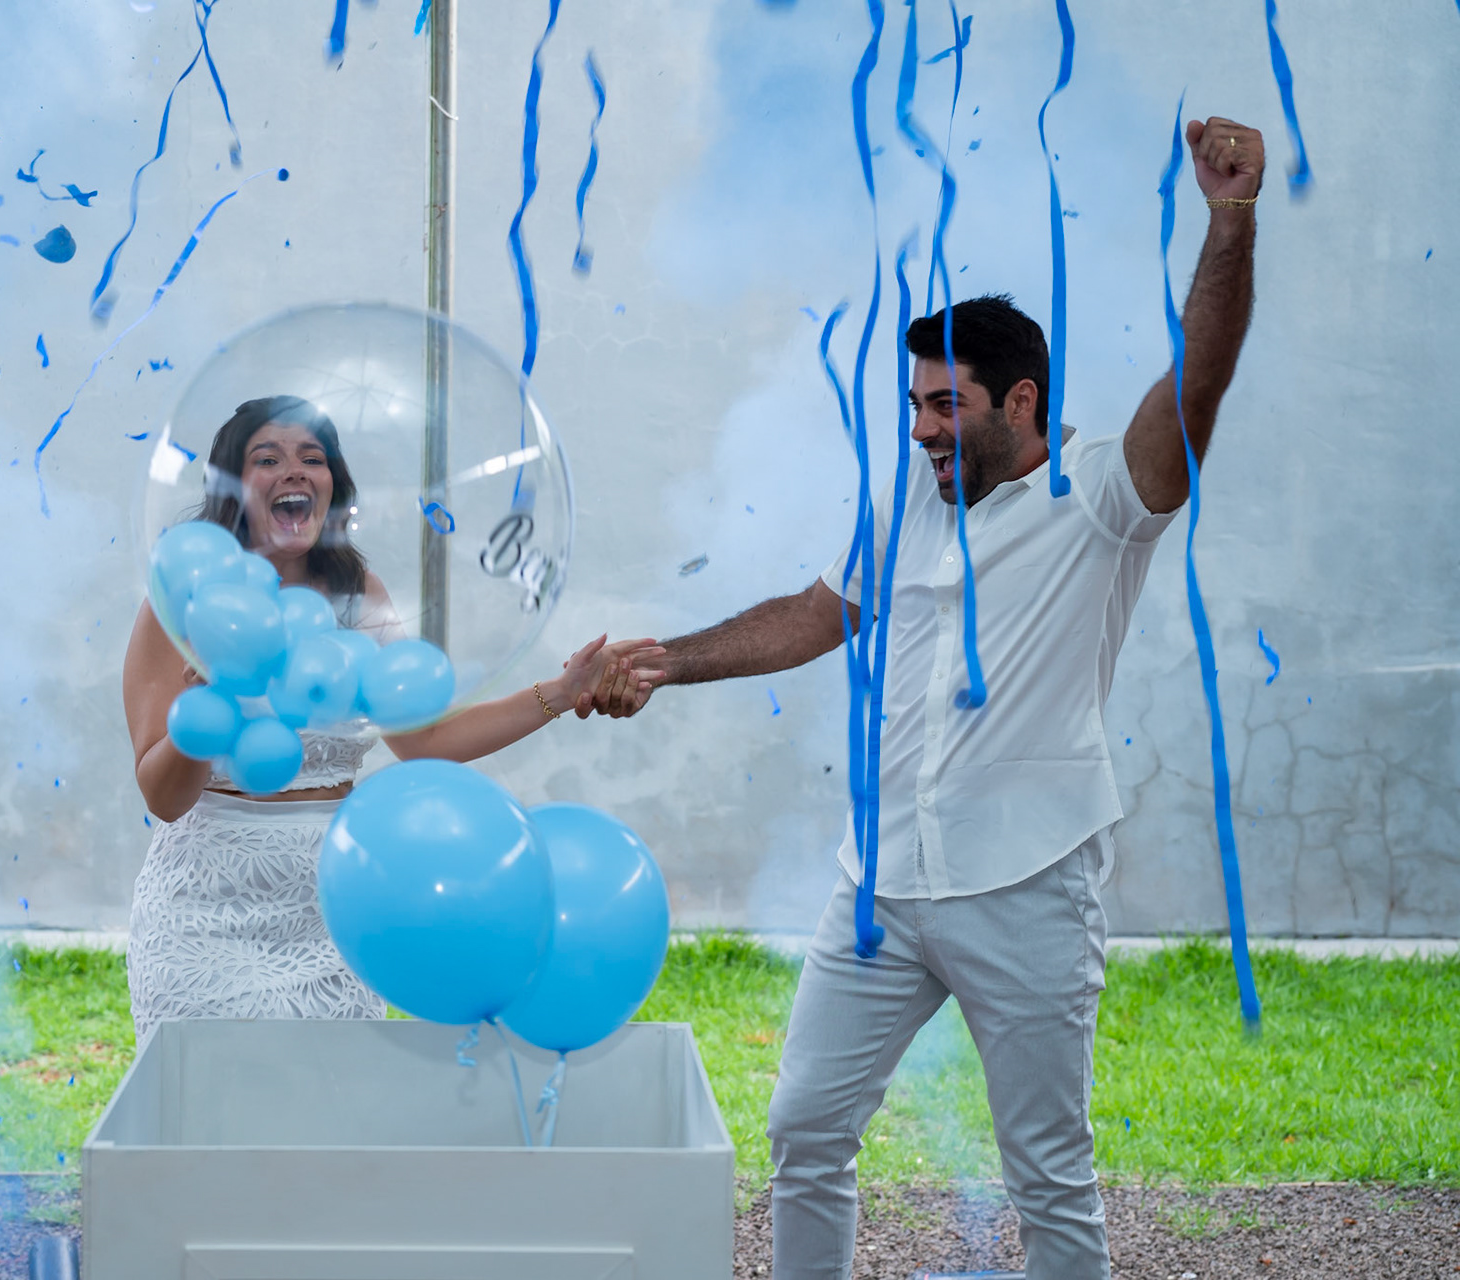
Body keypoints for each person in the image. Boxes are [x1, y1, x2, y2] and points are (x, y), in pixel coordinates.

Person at [581, 118, 1265, 1280]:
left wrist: (1230, 219)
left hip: (1028, 883)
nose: (921, 427)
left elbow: (1197, 377)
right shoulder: (910, 493)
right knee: (804, 1127)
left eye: (946, 404)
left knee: (1047, 1167)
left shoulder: (1106, 494)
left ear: (1020, 400)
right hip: (881, 885)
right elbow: (819, 612)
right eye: (916, 403)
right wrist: (666, 659)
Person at [122, 394, 658, 1044]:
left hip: (338, 906)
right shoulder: (179, 604)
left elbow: (425, 739)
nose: (294, 471)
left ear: (332, 483)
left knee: (333, 1101)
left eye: (312, 458)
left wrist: (561, 692)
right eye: (267, 459)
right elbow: (163, 798)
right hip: (204, 915)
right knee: (207, 1099)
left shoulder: (359, 595)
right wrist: (209, 710)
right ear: (232, 486)